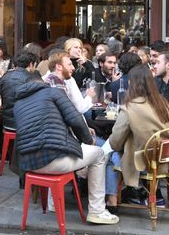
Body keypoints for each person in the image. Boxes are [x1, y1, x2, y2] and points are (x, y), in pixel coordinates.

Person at [14, 76, 119, 224]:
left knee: (52, 148)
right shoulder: (53, 92)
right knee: (99, 154)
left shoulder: (18, 104)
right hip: (55, 161)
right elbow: (75, 119)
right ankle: (97, 211)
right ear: (43, 84)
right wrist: (89, 141)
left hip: (30, 164)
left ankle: (52, 205)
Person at [108, 66, 169, 207]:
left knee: (110, 157)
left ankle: (112, 201)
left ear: (131, 83)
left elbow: (115, 142)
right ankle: (152, 194)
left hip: (143, 162)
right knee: (136, 141)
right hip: (168, 160)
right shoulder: (163, 103)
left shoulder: (129, 107)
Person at [0, 50, 39, 131]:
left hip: (7, 122)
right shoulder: (32, 79)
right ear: (31, 64)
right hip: (25, 124)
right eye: (35, 65)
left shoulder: (7, 75)